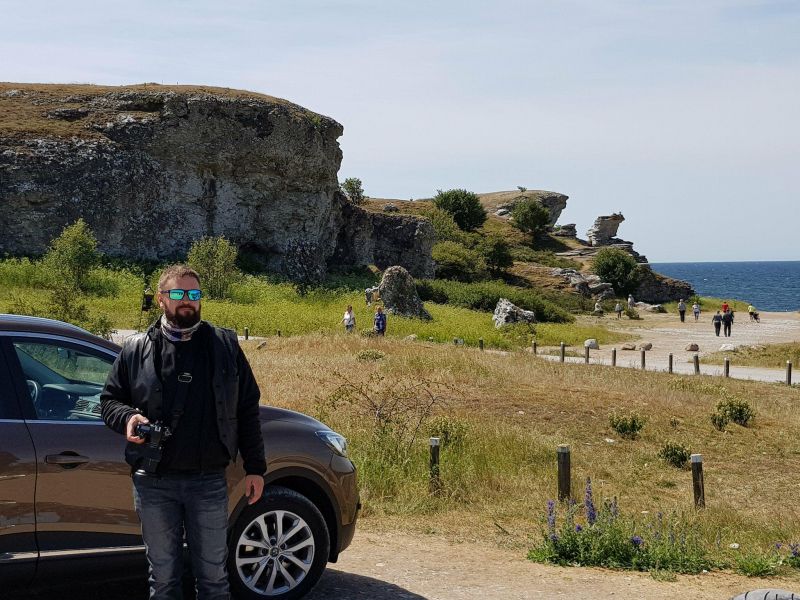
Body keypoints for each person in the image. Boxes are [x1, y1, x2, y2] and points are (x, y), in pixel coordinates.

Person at [100, 264, 266, 600]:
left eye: (193, 293)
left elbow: (247, 407)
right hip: (153, 482)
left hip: (208, 481)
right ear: (161, 299)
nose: (187, 300)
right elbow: (109, 401)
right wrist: (127, 417)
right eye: (177, 293)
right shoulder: (136, 349)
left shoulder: (225, 346)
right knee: (163, 582)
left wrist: (255, 468)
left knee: (214, 581)